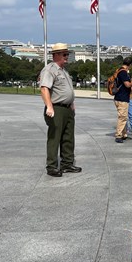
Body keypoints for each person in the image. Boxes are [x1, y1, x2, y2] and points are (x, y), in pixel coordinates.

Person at [39, 43, 82, 177]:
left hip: (67, 109)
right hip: (56, 108)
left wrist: (72, 103)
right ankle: (51, 166)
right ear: (56, 55)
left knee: (68, 137)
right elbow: (44, 88)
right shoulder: (49, 70)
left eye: (67, 54)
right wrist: (49, 106)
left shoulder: (63, 70)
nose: (67, 56)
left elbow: (65, 90)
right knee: (54, 137)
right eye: (64, 54)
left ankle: (67, 164)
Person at [113, 58, 132, 143]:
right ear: (130, 64)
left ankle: (124, 134)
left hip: (120, 97)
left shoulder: (118, 70)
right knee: (122, 117)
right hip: (122, 98)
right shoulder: (123, 72)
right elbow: (127, 85)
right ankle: (118, 135)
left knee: (124, 117)